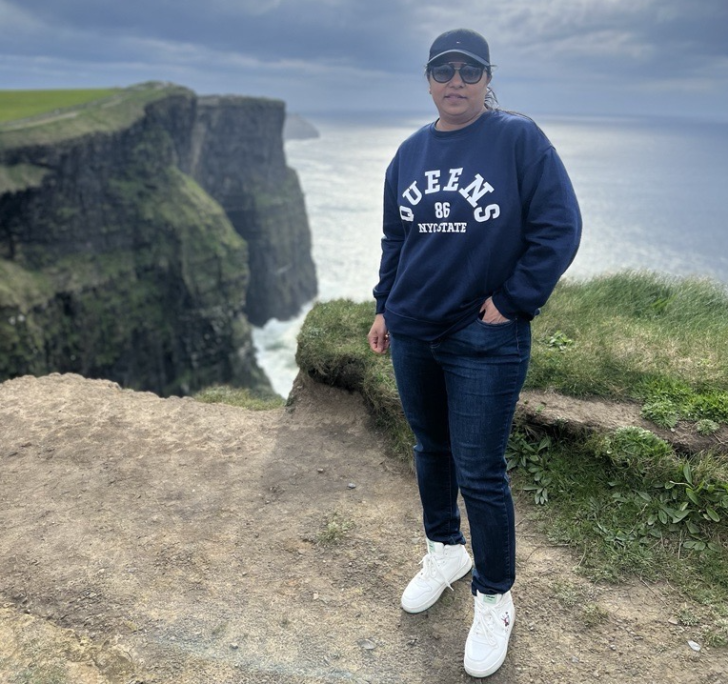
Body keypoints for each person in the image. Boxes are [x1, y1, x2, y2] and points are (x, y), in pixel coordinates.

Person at [367, 28, 581, 678]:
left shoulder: (517, 138)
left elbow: (559, 227)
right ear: (428, 79)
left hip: (485, 338)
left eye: (469, 70)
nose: (455, 81)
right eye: (443, 70)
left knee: (481, 472)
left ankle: (494, 595)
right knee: (430, 449)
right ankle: (445, 551)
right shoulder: (409, 152)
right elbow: (395, 237)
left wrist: (513, 301)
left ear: (487, 78)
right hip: (413, 331)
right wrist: (385, 306)